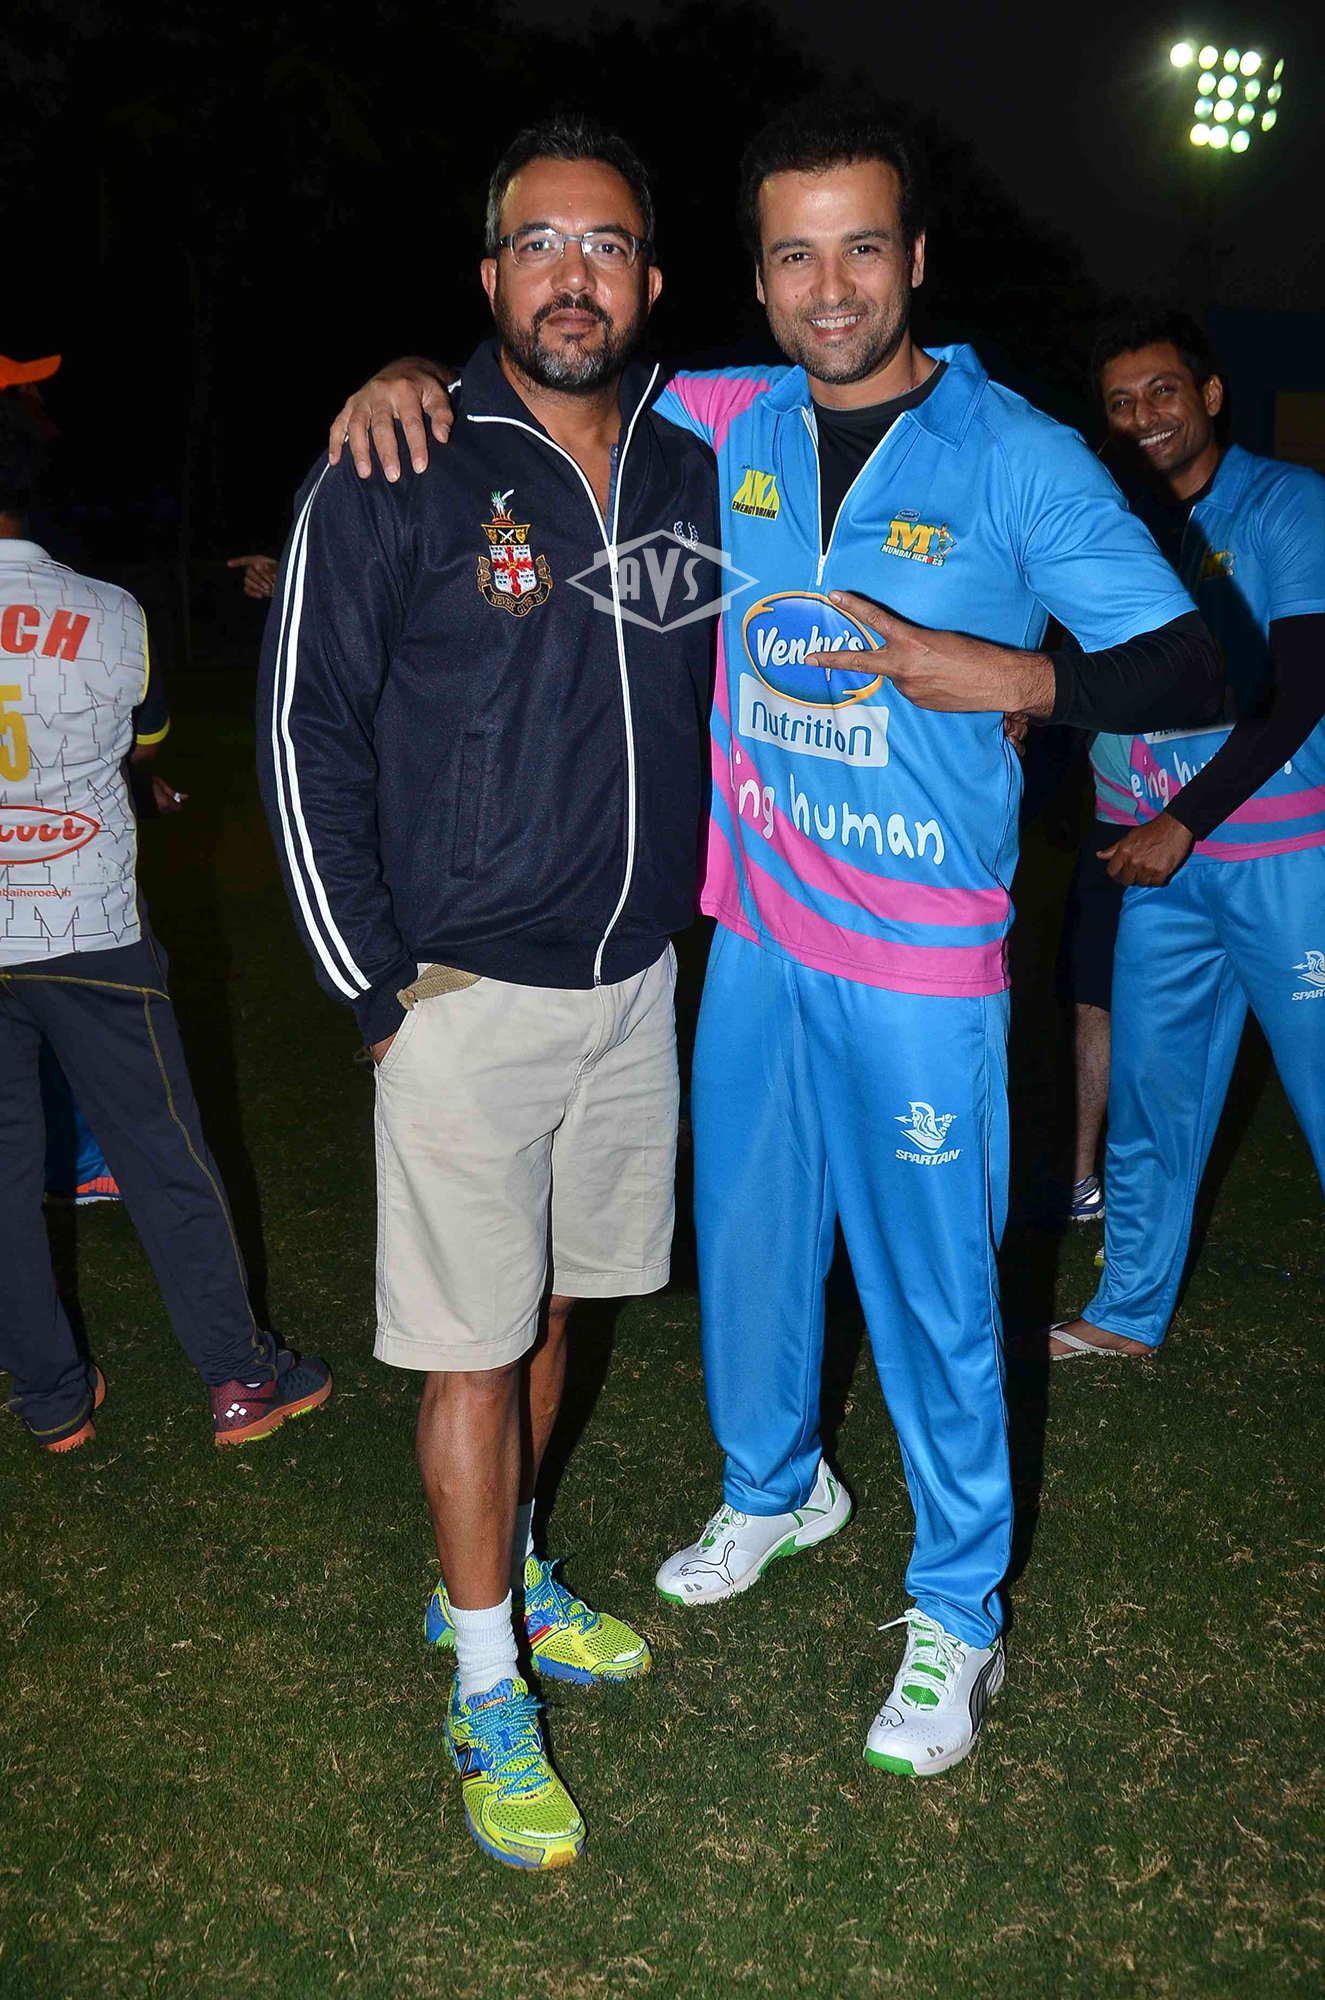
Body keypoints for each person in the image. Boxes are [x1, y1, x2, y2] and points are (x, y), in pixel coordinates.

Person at [329, 105, 1220, 1781]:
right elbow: (551, 365)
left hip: (921, 962)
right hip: (753, 940)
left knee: (937, 1295)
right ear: (753, 278)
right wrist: (407, 377)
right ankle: (772, 1486)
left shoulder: (1017, 453)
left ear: (915, 260)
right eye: (795, 255)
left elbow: (1193, 663)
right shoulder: (722, 417)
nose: (830, 288)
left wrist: (1019, 679)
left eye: (862, 248)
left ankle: (957, 1605)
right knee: (745, 1250)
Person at [258, 118, 719, 1871]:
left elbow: (863, 356)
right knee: (467, 1351)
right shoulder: (399, 464)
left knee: (552, 1316)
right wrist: (375, 992)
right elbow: (305, 728)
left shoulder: (695, 463)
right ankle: (480, 1689)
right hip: (459, 997)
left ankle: (513, 1570)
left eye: (604, 245)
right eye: (538, 245)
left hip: (632, 986)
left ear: (651, 278)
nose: (570, 276)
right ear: (488, 277)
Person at [0, 397, 332, 1450]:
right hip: (89, 925)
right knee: (162, 1153)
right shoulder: (108, 611)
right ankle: (240, 1379)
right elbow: (141, 745)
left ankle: (51, 1397)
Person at [1041, 309, 1325, 1360]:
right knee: (1151, 1091)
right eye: (1118, 403)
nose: (1141, 416)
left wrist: (1182, 819)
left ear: (1207, 395)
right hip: (1156, 862)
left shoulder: (1286, 501)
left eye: (1160, 390)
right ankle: (1126, 1311)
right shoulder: (1121, 530)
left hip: (1283, 859)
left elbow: (1300, 689)